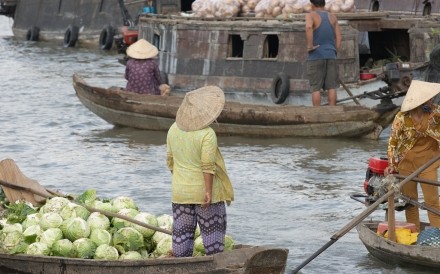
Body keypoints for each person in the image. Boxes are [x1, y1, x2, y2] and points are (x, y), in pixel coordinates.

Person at [166, 86, 234, 257]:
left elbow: (170, 161)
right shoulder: (207, 134)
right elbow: (207, 166)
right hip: (205, 194)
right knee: (213, 242)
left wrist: (183, 183)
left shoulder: (173, 129)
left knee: (182, 238)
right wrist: (208, 192)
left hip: (180, 192)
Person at [385, 80, 440, 231]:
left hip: (429, 162)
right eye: (428, 98)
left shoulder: (434, 113)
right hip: (407, 164)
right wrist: (391, 165)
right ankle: (414, 234)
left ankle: (437, 235)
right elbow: (392, 143)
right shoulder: (401, 118)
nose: (432, 100)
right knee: (410, 202)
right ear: (420, 101)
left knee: (433, 202)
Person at [305, 0, 342, 106]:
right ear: (324, 4)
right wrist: (335, 51)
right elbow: (339, 37)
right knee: (332, 86)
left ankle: (317, 113)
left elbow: (308, 27)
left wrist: (310, 46)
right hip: (331, 55)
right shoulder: (333, 17)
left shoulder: (310, 15)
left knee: (316, 88)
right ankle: (332, 111)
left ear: (312, 5)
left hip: (316, 56)